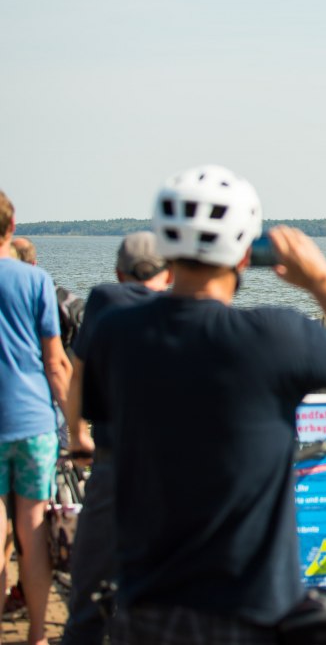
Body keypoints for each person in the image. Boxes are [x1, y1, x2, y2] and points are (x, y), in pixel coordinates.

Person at [79, 166, 326, 644]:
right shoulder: (275, 336)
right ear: (246, 253)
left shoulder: (114, 333)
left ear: (164, 248)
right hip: (251, 612)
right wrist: (322, 280)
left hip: (146, 605)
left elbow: (102, 422)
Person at [62, 232, 172, 645]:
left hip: (114, 462)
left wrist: (77, 436)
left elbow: (78, 374)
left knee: (88, 591)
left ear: (118, 272)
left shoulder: (104, 300)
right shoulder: (185, 308)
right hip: (173, 470)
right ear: (170, 273)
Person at [0, 189, 71, 645]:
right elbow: (56, 361)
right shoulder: (35, 279)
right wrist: (77, 426)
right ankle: (39, 637)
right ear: (12, 227)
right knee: (32, 524)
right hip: (33, 418)